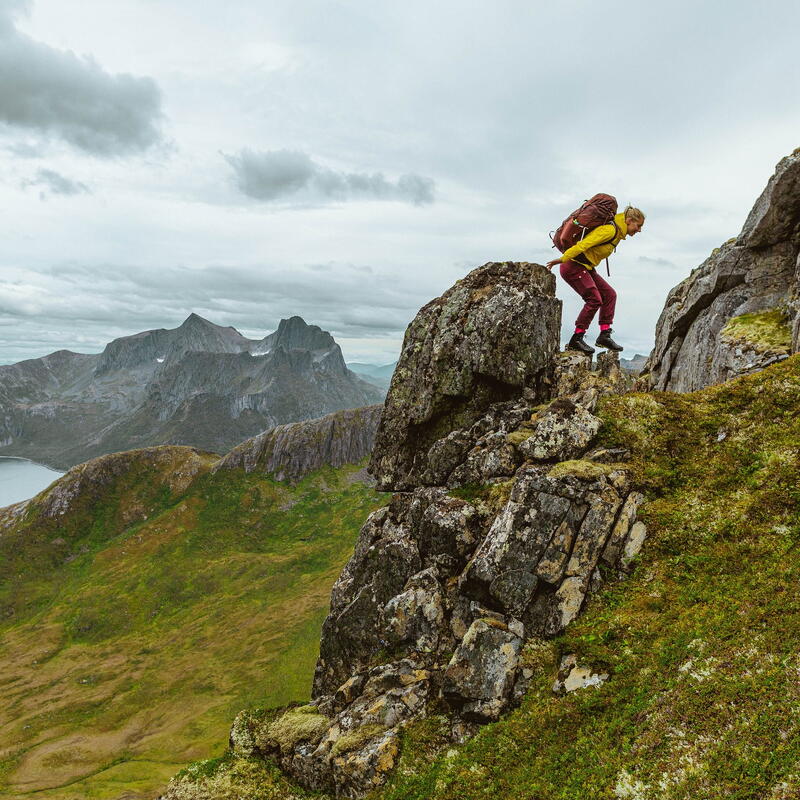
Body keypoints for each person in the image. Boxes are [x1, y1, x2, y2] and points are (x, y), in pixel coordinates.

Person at [546, 205, 645, 354]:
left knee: (610, 295)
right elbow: (584, 244)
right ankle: (576, 338)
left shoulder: (617, 232)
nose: (639, 230)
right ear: (629, 220)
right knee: (594, 299)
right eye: (638, 225)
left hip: (585, 266)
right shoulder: (609, 230)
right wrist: (561, 259)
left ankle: (604, 335)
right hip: (572, 265)